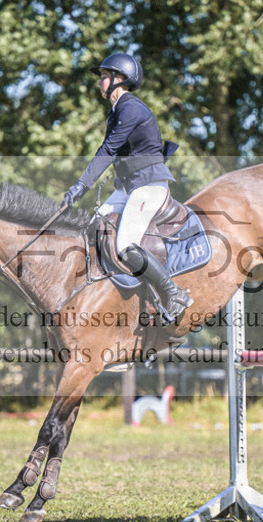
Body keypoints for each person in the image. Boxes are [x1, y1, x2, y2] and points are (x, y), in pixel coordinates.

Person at [63, 52, 193, 323]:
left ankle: (173, 293)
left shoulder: (130, 107)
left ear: (118, 79)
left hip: (148, 186)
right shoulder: (116, 112)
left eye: (103, 77)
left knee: (125, 245)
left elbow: (108, 150)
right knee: (92, 228)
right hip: (129, 186)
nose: (99, 83)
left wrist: (81, 186)